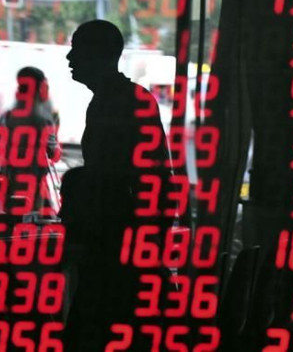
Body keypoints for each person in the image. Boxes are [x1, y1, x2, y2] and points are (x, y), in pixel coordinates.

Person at [60, 19, 173, 350]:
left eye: (77, 49)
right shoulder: (129, 99)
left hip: (118, 250)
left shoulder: (113, 104)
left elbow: (109, 179)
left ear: (99, 55)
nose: (70, 58)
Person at [0, 66, 61, 217]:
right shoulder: (45, 119)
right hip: (34, 187)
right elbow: (54, 154)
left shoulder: (6, 116)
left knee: (8, 225)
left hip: (8, 184)